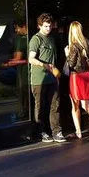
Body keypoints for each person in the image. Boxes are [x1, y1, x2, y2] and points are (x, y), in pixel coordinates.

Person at [28, 13, 66, 142]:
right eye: (45, 26)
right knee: (40, 107)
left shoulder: (51, 38)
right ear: (39, 26)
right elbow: (31, 58)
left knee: (55, 105)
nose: (48, 28)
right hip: (39, 79)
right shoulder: (36, 39)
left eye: (50, 26)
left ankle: (56, 131)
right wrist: (43, 65)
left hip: (52, 78)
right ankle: (42, 131)